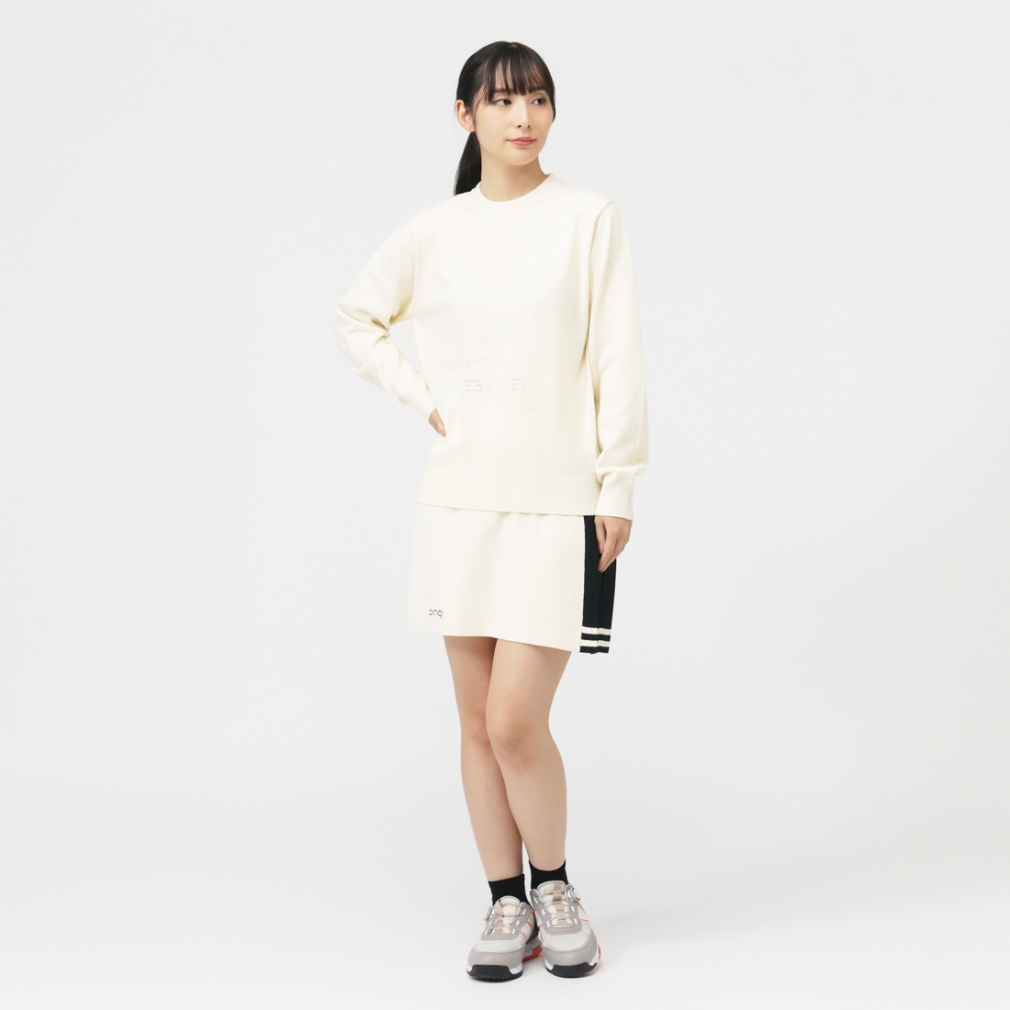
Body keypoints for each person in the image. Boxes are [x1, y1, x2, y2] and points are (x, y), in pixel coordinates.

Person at [334, 40, 648, 981]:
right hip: (459, 503)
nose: (524, 117)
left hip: (557, 504)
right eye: (504, 101)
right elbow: (356, 317)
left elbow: (618, 356)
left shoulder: (588, 218)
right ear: (465, 114)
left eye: (539, 99)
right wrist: (424, 397)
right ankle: (507, 901)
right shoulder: (435, 230)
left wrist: (618, 483)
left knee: (515, 721)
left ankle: (555, 885)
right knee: (475, 724)